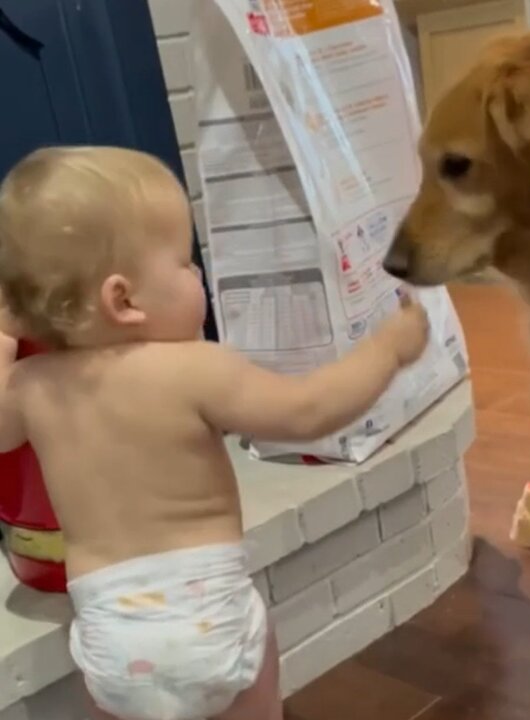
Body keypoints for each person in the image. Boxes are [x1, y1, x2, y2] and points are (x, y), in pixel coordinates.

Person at [0, 146, 429, 720]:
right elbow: (309, 411)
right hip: (208, 622)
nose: (197, 274)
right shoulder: (196, 369)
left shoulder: (30, 388)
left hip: (113, 641)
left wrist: (6, 331)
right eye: (184, 262)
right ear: (123, 300)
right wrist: (388, 350)